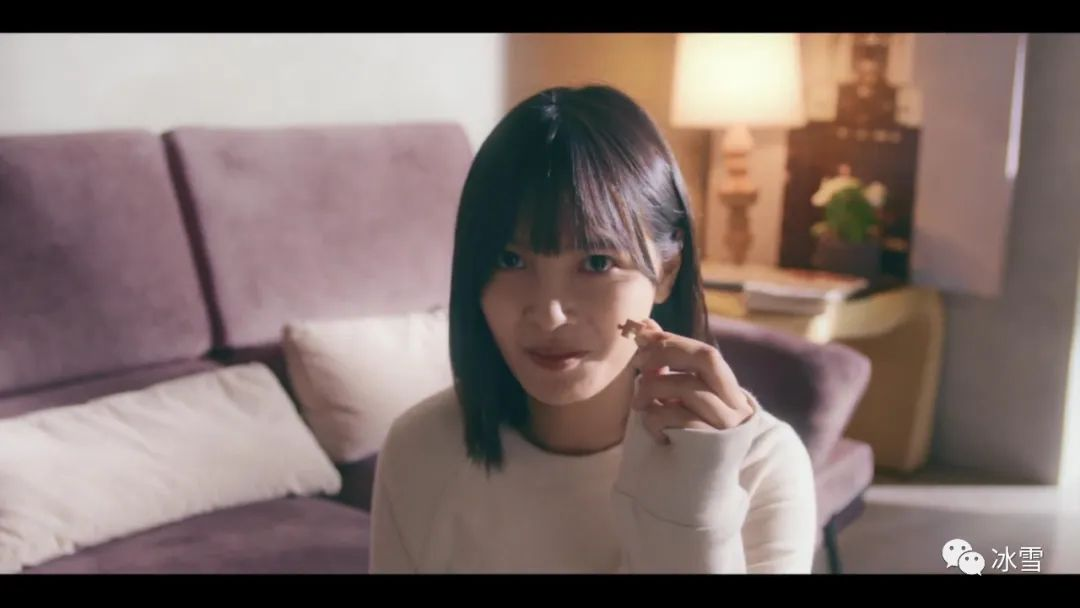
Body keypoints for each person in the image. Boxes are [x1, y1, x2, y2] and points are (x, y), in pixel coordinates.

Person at [369, 85, 817, 573]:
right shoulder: (422, 448)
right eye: (510, 260)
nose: (550, 315)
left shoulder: (762, 465)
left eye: (597, 262)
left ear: (667, 270)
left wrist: (693, 510)